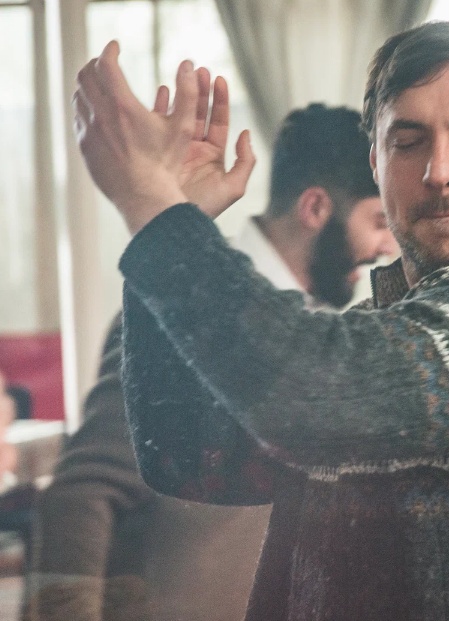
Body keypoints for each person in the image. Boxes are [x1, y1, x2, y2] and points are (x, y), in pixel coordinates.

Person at [71, 21, 449, 621]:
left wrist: (157, 214)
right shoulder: (380, 322)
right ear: (376, 160)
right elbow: (189, 458)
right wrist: (180, 218)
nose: (439, 170)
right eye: (408, 141)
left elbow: (322, 393)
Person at [23, 104, 397, 621]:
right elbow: (82, 493)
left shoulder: (320, 334)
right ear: (314, 208)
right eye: (378, 221)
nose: (386, 247)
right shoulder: (185, 311)